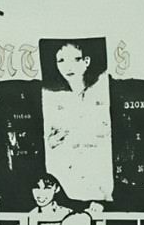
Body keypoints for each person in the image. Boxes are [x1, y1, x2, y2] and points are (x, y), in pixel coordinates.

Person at [41, 40, 114, 202]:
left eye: (75, 59)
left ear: (86, 61)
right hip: (67, 172)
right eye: (61, 61)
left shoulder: (102, 89)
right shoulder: (51, 96)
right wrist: (51, 141)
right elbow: (47, 138)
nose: (68, 67)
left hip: (98, 171)